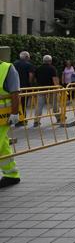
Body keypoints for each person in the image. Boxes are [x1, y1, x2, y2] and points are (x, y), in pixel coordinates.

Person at [0, 57, 21, 188]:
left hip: (2, 116)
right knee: (2, 146)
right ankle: (11, 175)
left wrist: (14, 112)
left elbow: (15, 93)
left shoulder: (7, 68)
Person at [33, 55, 60, 127]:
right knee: (54, 104)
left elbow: (35, 79)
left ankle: (36, 121)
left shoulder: (38, 68)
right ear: (50, 61)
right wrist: (58, 88)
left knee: (39, 105)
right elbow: (54, 79)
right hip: (51, 89)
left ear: (43, 61)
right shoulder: (52, 68)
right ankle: (59, 118)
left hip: (41, 89)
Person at [13, 51, 34, 127]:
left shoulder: (14, 64)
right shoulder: (29, 65)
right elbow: (30, 75)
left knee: (16, 102)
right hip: (24, 86)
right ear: (26, 57)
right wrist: (29, 84)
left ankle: (15, 119)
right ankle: (22, 119)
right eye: (28, 57)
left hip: (14, 87)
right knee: (23, 103)